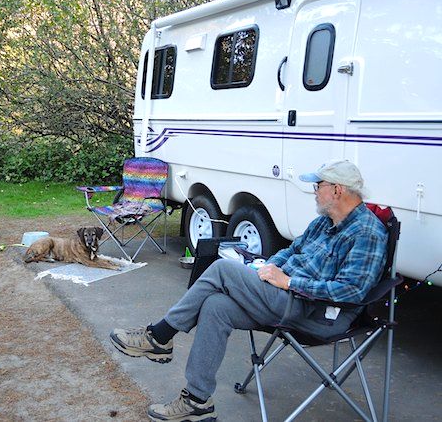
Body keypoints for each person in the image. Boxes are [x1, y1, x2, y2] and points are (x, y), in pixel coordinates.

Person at [109, 159, 388, 422]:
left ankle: (160, 335)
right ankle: (197, 402)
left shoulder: (367, 233)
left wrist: (289, 282)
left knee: (222, 269)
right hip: (282, 296)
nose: (314, 193)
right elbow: (292, 251)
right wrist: (268, 268)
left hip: (314, 311)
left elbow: (352, 290)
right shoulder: (324, 222)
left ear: (337, 190)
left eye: (318, 186)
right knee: (215, 306)